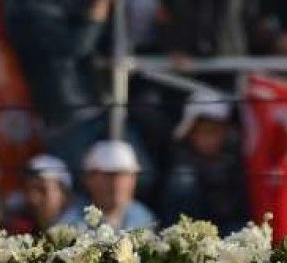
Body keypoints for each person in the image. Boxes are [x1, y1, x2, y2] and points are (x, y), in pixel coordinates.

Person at [4, 0, 117, 176]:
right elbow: (76, 45)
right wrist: (100, 8)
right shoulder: (23, 10)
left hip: (92, 107)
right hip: (66, 119)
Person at [158, 91, 249, 231]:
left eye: (216, 131)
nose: (211, 139)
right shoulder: (179, 162)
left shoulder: (234, 159)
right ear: (191, 132)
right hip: (191, 232)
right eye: (205, 131)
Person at [59, 140, 156, 230]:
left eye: (124, 175)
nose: (117, 183)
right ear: (89, 179)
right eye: (109, 175)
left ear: (134, 179)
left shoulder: (143, 217)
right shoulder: (70, 224)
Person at [5, 154, 73, 234]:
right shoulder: (19, 228)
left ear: (64, 195)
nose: (33, 198)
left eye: (42, 190)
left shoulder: (82, 230)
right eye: (27, 190)